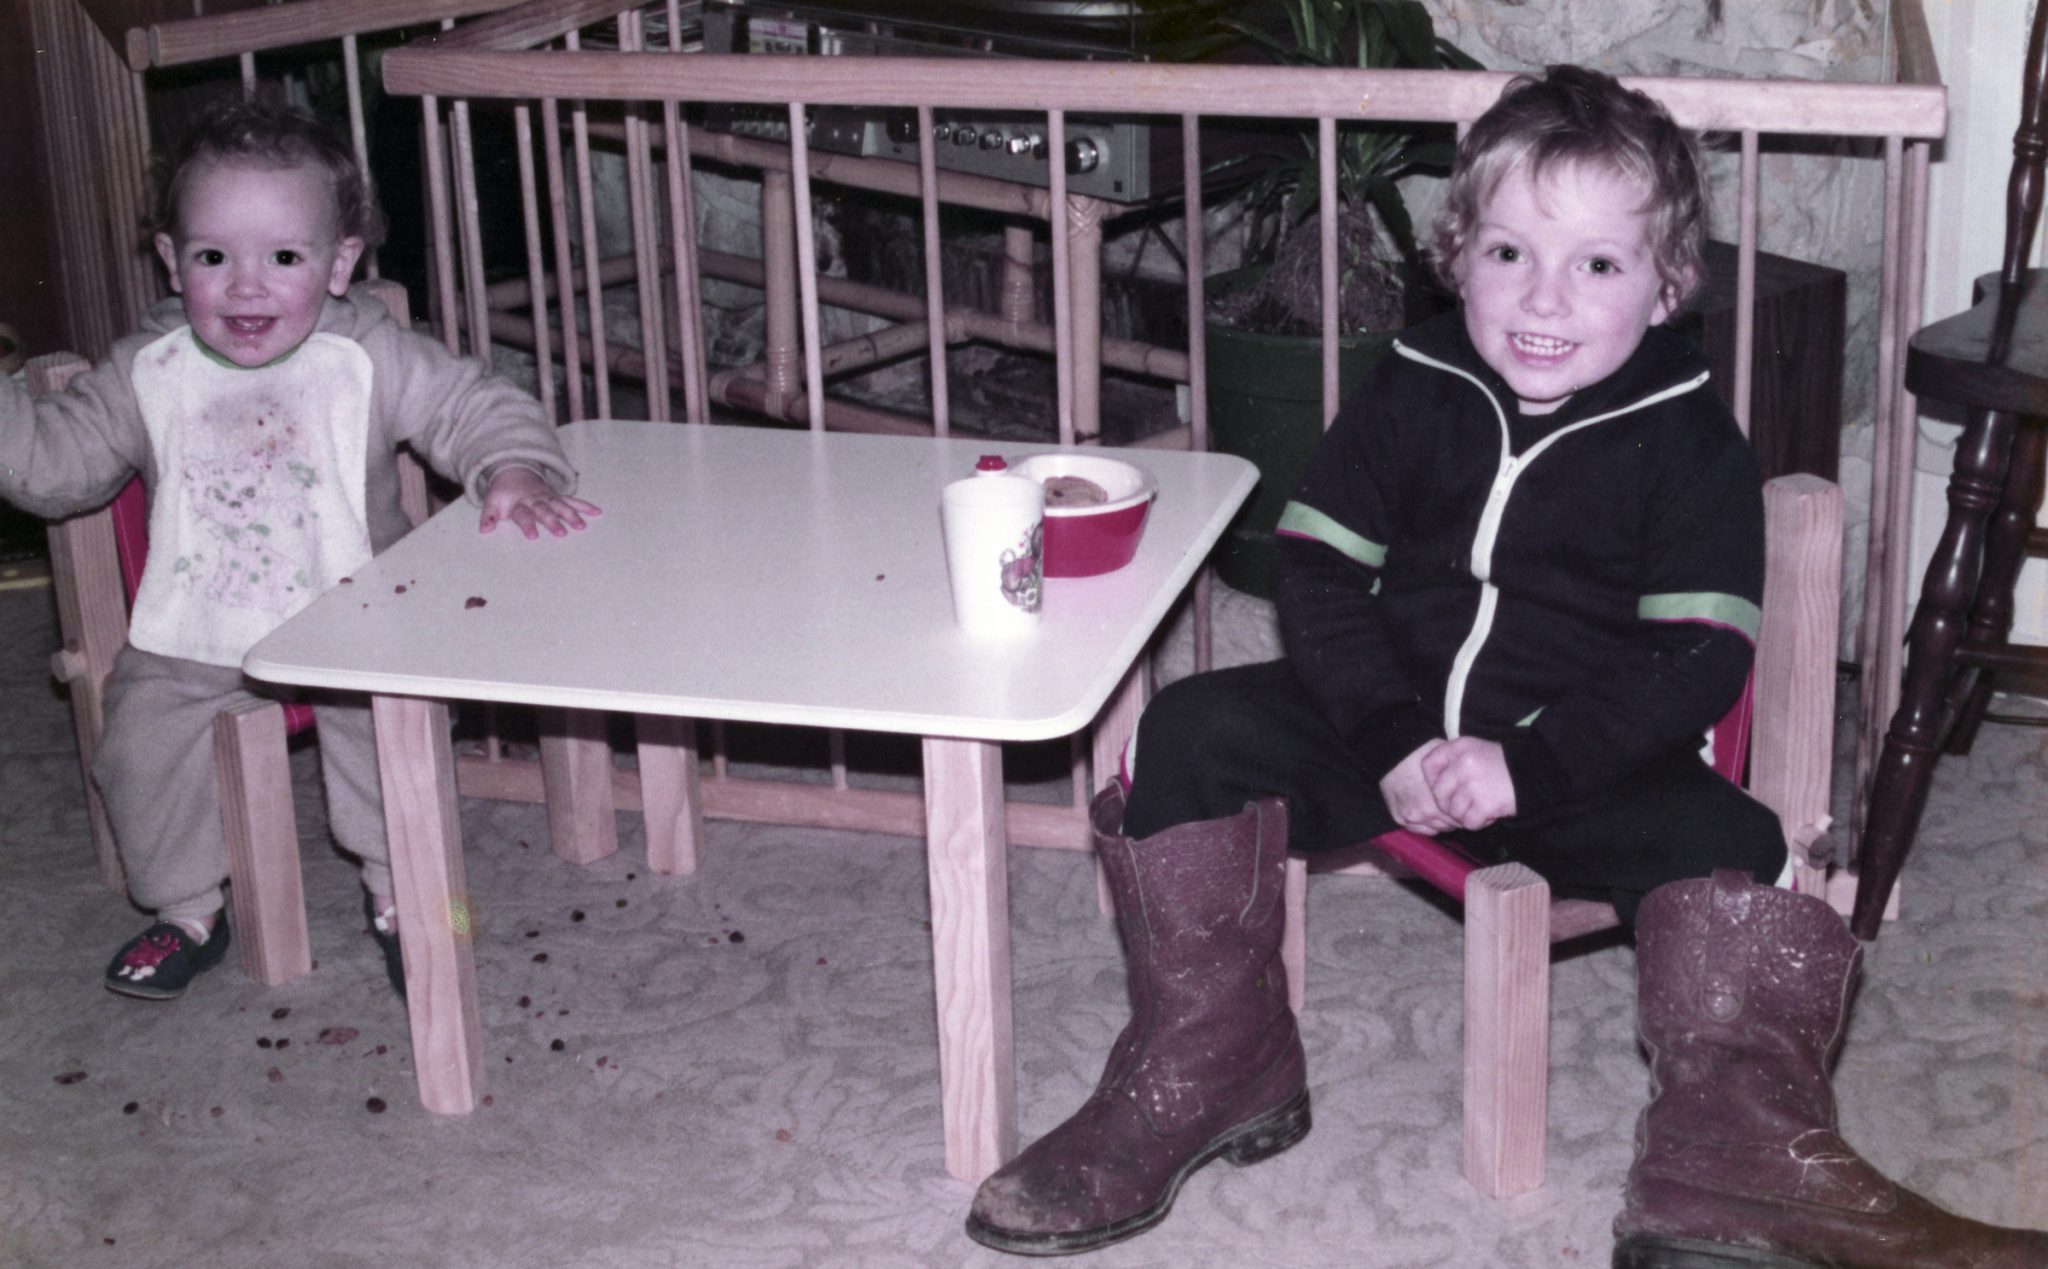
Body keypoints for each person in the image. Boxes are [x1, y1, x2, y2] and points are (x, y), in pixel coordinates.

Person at [965, 66, 2048, 1265]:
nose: (1545, 297)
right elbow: (1317, 574)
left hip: (1577, 769)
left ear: (1666, 282)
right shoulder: (1412, 384)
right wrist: (1389, 740)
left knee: (1732, 847)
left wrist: (1523, 766)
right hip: (1385, 740)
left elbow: (1694, 659)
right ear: (1454, 253)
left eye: (1597, 263)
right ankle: (1212, 1064)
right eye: (1508, 253)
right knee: (1187, 730)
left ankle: (1722, 1167)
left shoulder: (1688, 435)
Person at [0, 95, 599, 1002]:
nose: (247, 286)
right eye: (213, 257)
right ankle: (187, 908)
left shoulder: (368, 351)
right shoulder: (146, 369)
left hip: (353, 617)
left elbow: (471, 402)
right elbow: (54, 470)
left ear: (340, 262)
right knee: (138, 746)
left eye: (284, 257)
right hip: (195, 630)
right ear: (171, 261)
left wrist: (512, 465)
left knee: (393, 727)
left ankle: (403, 891)